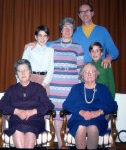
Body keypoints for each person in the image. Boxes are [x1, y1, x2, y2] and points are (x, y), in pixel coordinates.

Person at [24, 17, 84, 148]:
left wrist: (79, 90)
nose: (67, 30)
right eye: (65, 27)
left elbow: (81, 72)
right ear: (61, 30)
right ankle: (61, 145)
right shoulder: (52, 45)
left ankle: (67, 144)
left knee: (67, 115)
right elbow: (40, 43)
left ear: (73, 31)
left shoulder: (78, 48)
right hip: (54, 88)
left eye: (70, 28)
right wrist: (30, 44)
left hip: (70, 90)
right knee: (56, 117)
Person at [0, 59, 54, 149]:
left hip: (35, 120)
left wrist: (33, 111)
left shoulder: (39, 88)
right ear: (16, 74)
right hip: (16, 120)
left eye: (25, 70)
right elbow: (2, 104)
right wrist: (16, 111)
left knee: (30, 132)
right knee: (17, 130)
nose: (23, 73)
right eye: (19, 71)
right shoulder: (11, 89)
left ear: (30, 72)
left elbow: (49, 105)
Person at [63, 63, 118, 149]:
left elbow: (113, 105)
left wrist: (99, 112)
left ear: (96, 74)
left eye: (92, 71)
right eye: (86, 72)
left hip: (97, 119)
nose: (89, 74)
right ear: (82, 74)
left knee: (93, 128)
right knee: (80, 127)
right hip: (79, 117)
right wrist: (81, 112)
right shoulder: (76, 88)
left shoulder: (103, 89)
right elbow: (66, 104)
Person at [72, 2, 119, 68]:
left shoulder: (102, 31)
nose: (85, 14)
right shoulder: (74, 32)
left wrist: (108, 58)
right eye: (82, 12)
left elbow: (114, 51)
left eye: (87, 11)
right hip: (79, 73)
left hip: (98, 72)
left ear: (92, 13)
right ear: (79, 15)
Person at [22, 25, 54, 95]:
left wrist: (43, 84)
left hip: (44, 81)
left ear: (48, 38)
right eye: (40, 35)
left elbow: (51, 69)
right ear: (36, 37)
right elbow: (22, 66)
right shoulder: (29, 49)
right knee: (28, 104)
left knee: (42, 105)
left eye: (45, 36)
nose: (42, 38)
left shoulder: (50, 51)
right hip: (30, 78)